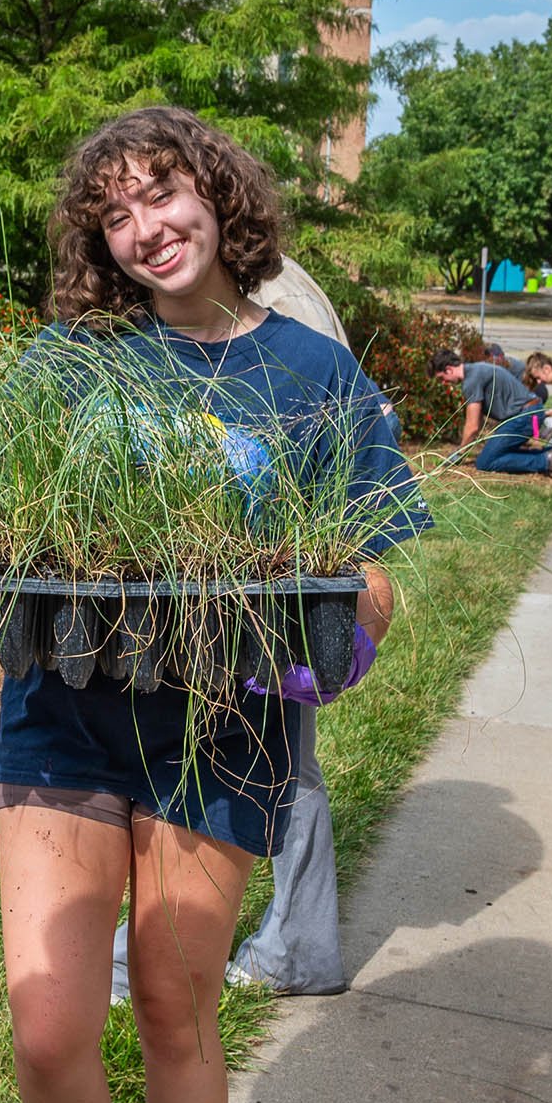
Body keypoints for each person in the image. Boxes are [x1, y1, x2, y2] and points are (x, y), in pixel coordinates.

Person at [0, 106, 428, 1103]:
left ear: (221, 198)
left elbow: (374, 551)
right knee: (50, 1019)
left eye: (163, 195)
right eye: (115, 212)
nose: (146, 228)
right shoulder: (65, 363)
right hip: (65, 709)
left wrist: (356, 633)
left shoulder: (308, 373)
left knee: (174, 1000)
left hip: (222, 732)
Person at [111, 253, 362, 1002]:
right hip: (226, 575)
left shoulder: (284, 319)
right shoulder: (254, 285)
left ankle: (262, 948)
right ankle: (297, 946)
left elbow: (328, 465)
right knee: (274, 757)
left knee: (253, 753)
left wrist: (350, 623)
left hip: (255, 579)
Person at [435, 350, 552, 476]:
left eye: (442, 378)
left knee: (485, 462)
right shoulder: (476, 369)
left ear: (449, 369)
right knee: (500, 452)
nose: (443, 383)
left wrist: (459, 453)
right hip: (531, 411)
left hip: (525, 415)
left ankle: (547, 461)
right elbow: (477, 422)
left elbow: (472, 426)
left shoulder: (471, 381)